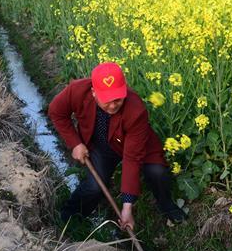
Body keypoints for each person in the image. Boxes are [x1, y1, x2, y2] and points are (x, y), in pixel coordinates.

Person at [49, 62, 186, 231]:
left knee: (157, 172)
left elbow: (132, 158)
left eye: (118, 99)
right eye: (107, 100)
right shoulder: (77, 90)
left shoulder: (136, 110)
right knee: (94, 187)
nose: (113, 105)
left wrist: (127, 207)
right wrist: (75, 143)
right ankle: (68, 220)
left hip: (136, 145)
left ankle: (166, 204)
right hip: (101, 146)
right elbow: (56, 112)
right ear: (93, 93)